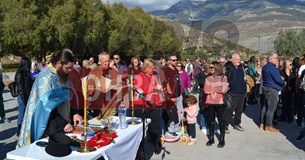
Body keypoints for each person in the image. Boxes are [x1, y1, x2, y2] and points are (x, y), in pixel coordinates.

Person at [17, 49, 83, 148]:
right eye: (68, 68)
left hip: (62, 123)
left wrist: (75, 113)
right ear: (59, 63)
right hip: (47, 124)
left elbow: (68, 97)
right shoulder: (46, 78)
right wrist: (62, 124)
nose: (70, 70)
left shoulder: (63, 74)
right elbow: (46, 108)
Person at [132, 59, 163, 154]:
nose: (154, 69)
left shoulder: (154, 76)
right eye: (152, 67)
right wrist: (154, 87)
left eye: (154, 68)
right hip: (142, 105)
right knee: (141, 127)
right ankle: (139, 149)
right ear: (146, 68)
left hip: (154, 104)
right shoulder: (139, 76)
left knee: (155, 125)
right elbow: (138, 90)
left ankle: (156, 144)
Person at [204, 61, 229, 148]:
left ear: (217, 68)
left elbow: (223, 89)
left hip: (220, 102)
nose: (210, 69)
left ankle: (222, 140)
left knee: (221, 121)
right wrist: (216, 88)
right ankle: (211, 138)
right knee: (210, 121)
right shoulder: (207, 78)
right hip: (210, 102)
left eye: (212, 67)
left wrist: (212, 88)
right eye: (209, 67)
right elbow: (206, 90)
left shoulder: (223, 78)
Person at [260, 52, 285, 132]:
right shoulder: (271, 68)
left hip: (266, 88)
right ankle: (268, 125)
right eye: (276, 58)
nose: (277, 60)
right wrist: (283, 81)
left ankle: (262, 123)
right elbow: (278, 80)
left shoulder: (265, 67)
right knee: (271, 108)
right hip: (272, 89)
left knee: (265, 106)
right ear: (271, 59)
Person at [224, 53, 247, 133]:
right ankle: (225, 125)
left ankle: (237, 124)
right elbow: (224, 78)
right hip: (232, 92)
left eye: (239, 59)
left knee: (239, 110)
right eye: (237, 59)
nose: (239, 61)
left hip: (241, 92)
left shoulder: (240, 67)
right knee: (230, 110)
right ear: (232, 59)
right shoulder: (228, 67)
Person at [163, 54, 182, 137]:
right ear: (169, 61)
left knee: (179, 113)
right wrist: (170, 96)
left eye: (176, 60)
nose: (176, 61)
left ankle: (177, 128)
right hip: (171, 96)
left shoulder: (176, 70)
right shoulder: (166, 70)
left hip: (178, 95)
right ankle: (171, 130)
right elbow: (165, 84)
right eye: (173, 60)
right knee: (172, 114)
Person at [15, 57, 33, 136]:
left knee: (26, 114)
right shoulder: (19, 74)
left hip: (27, 96)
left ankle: (24, 130)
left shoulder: (27, 73)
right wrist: (25, 101)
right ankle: (19, 131)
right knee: (21, 114)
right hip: (23, 98)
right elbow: (21, 90)